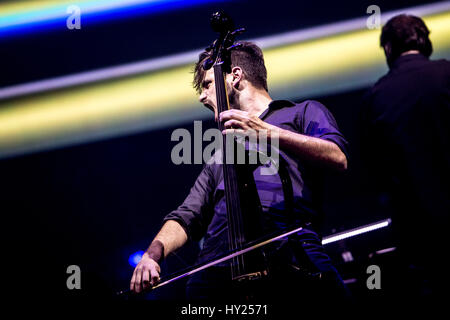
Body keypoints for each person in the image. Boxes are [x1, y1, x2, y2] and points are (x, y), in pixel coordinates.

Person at [130, 41, 350, 303]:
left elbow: (337, 157)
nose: (202, 96)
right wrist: (151, 255)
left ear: (235, 77)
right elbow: (188, 214)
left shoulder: (303, 113)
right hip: (218, 276)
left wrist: (267, 133)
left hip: (292, 257)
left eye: (208, 84)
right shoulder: (220, 155)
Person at [361, 14, 450, 301]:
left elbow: (373, 171)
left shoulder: (375, 98)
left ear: (388, 48)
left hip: (421, 230)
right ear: (425, 41)